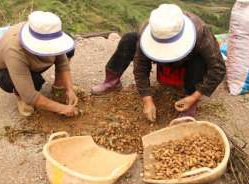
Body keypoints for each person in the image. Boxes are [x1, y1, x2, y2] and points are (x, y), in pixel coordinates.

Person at [91, 4, 226, 122]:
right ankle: (112, 82)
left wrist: (195, 96)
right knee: (129, 39)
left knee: (199, 60)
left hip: (187, 62)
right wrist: (147, 100)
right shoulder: (147, 31)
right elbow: (140, 67)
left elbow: (218, 68)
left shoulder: (200, 32)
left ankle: (190, 101)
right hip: (163, 62)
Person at [0, 11, 78, 117]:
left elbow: (62, 63)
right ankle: (20, 95)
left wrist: (69, 89)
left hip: (33, 63)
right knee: (34, 82)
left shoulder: (44, 30)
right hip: (7, 72)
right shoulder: (13, 51)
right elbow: (30, 96)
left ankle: (59, 86)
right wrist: (62, 109)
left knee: (68, 50)